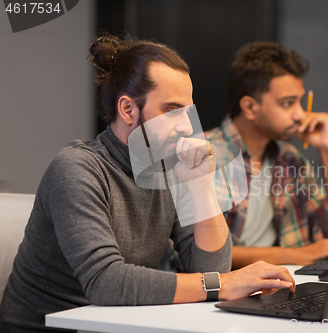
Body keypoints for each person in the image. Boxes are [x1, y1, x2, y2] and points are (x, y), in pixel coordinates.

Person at [0, 35, 295, 333]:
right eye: (171, 110)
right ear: (128, 110)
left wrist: (202, 185)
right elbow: (105, 282)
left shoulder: (169, 165)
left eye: (187, 111)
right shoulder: (76, 168)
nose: (186, 126)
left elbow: (211, 270)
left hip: (116, 323)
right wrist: (224, 283)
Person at [205, 41, 328, 269]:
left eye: (299, 101)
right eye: (287, 103)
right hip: (225, 291)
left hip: (282, 283)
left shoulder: (289, 159)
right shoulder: (203, 156)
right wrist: (294, 255)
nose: (300, 114)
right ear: (250, 107)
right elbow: (200, 254)